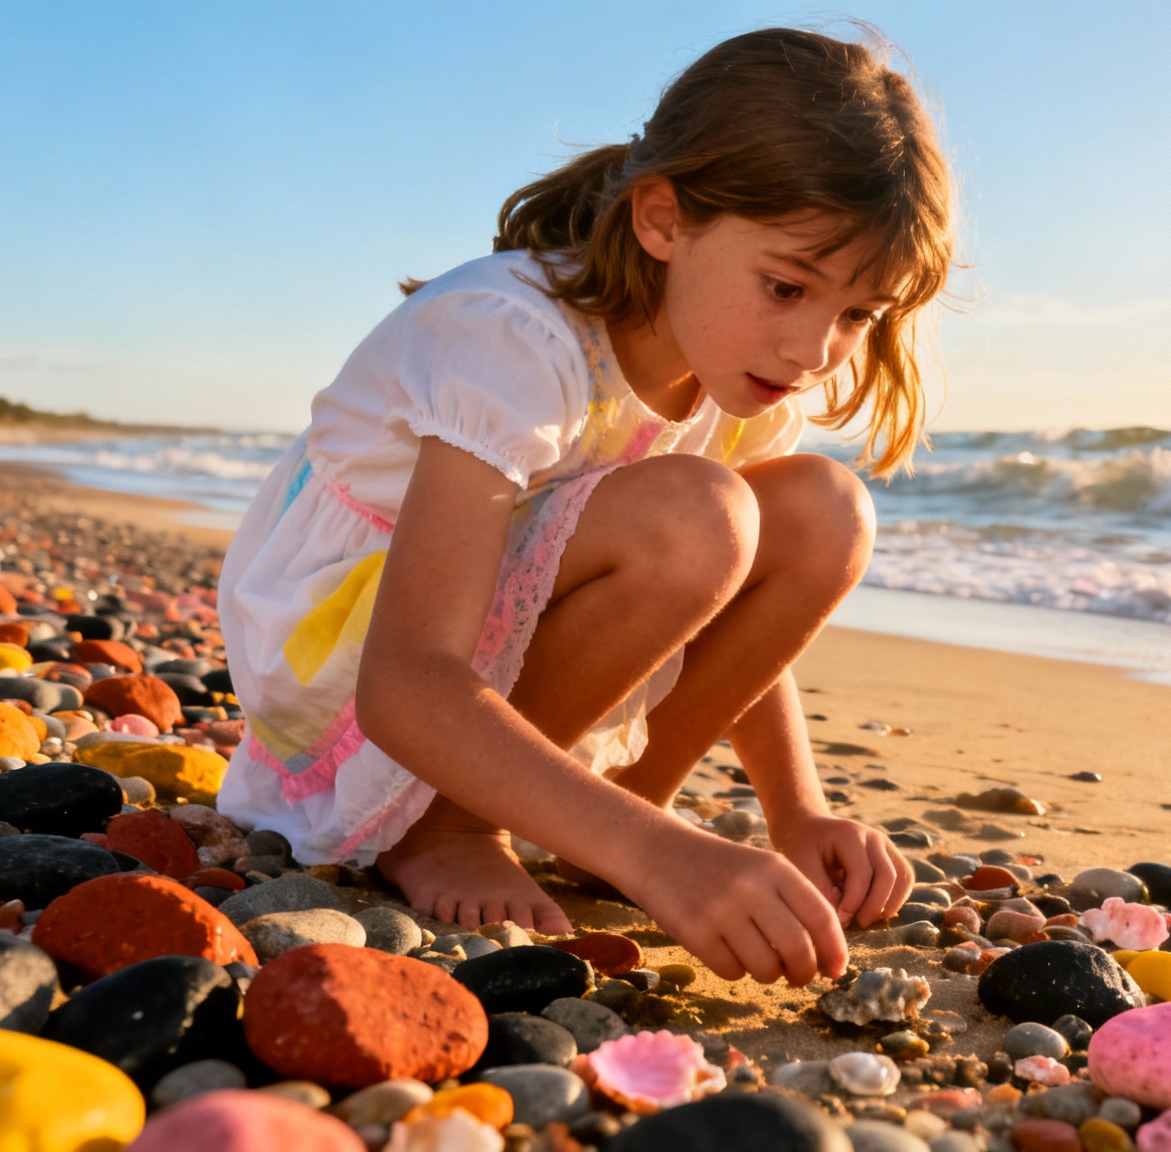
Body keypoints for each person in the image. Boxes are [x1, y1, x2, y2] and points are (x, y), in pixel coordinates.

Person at [216, 27, 952, 987]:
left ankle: (611, 815)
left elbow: (739, 607)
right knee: (699, 515)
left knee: (823, 509)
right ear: (662, 219)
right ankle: (449, 823)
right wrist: (665, 856)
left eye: (858, 315)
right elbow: (407, 682)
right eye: (786, 286)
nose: (816, 347)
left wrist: (795, 811)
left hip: (499, 650)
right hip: (356, 658)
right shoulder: (511, 335)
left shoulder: (745, 368)